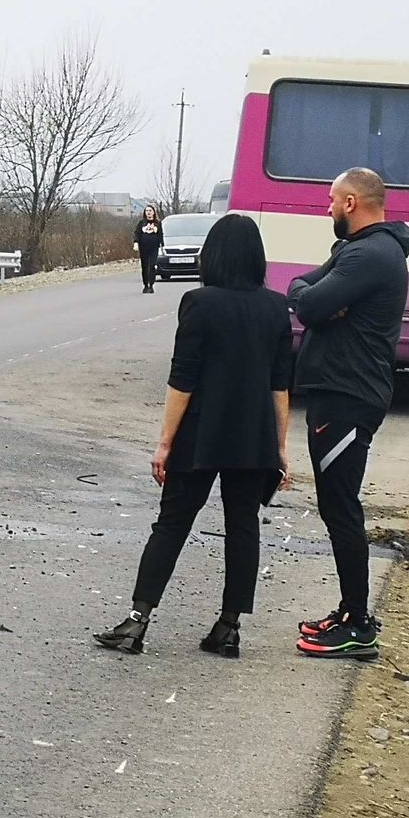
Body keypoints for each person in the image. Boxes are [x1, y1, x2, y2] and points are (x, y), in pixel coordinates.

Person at [94, 213, 293, 658]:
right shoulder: (277, 307)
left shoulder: (199, 303)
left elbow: (183, 378)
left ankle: (137, 623)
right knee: (243, 528)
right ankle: (228, 627)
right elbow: (281, 384)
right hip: (254, 437)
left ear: (214, 255)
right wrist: (280, 447)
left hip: (201, 433)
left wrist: (164, 442)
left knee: (172, 524)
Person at [288, 167, 409, 660]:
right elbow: (302, 289)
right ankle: (349, 611)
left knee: (340, 507)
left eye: (330, 200)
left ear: (350, 204)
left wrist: (319, 303)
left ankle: (358, 624)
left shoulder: (369, 255)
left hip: (347, 395)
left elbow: (312, 305)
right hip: (338, 393)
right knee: (335, 504)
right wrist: (315, 301)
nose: (326, 208)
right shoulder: (357, 252)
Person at [134, 205, 164, 294]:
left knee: (152, 266)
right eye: (147, 210)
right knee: (145, 267)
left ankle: (151, 285)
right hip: (143, 248)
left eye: (150, 210)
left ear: (154, 212)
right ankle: (145, 285)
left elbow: (160, 235)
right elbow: (137, 233)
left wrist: (162, 246)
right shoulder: (141, 223)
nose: (148, 212)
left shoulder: (158, 223)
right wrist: (136, 243)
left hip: (154, 248)